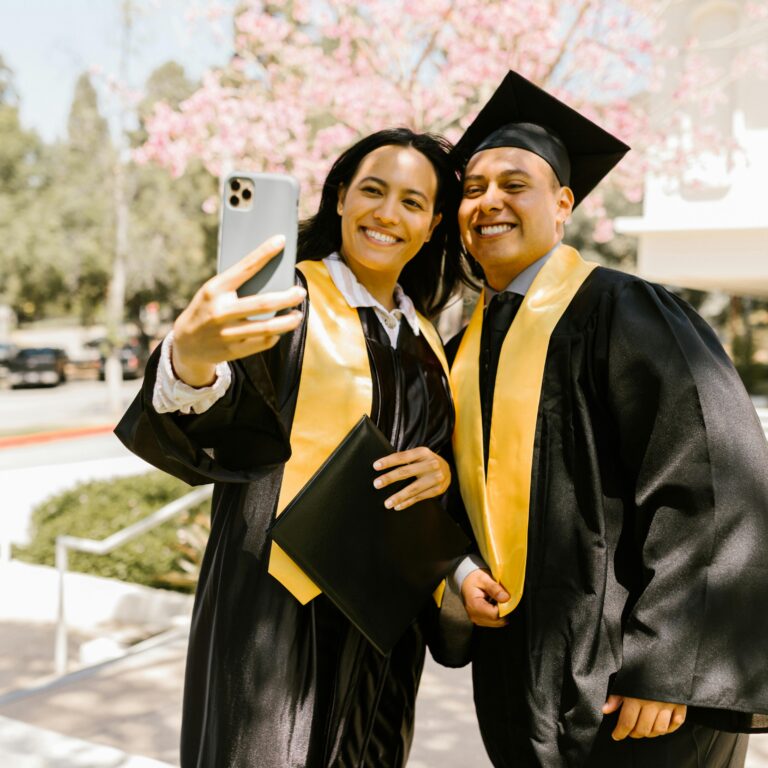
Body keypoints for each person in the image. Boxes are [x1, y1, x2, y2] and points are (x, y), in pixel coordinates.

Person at [115, 127, 473, 767]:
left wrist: (441, 472)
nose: (388, 213)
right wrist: (191, 359)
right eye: (372, 190)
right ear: (339, 198)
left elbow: (436, 469)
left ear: (431, 224)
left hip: (381, 629)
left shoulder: (426, 339)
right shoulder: (286, 302)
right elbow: (217, 416)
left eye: (412, 203)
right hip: (274, 610)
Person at [445, 71, 768, 768]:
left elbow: (709, 480)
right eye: (473, 189)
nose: (489, 201)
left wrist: (671, 662)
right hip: (522, 676)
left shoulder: (624, 310)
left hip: (634, 689)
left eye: (514, 184)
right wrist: (457, 569)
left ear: (563, 205)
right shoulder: (466, 347)